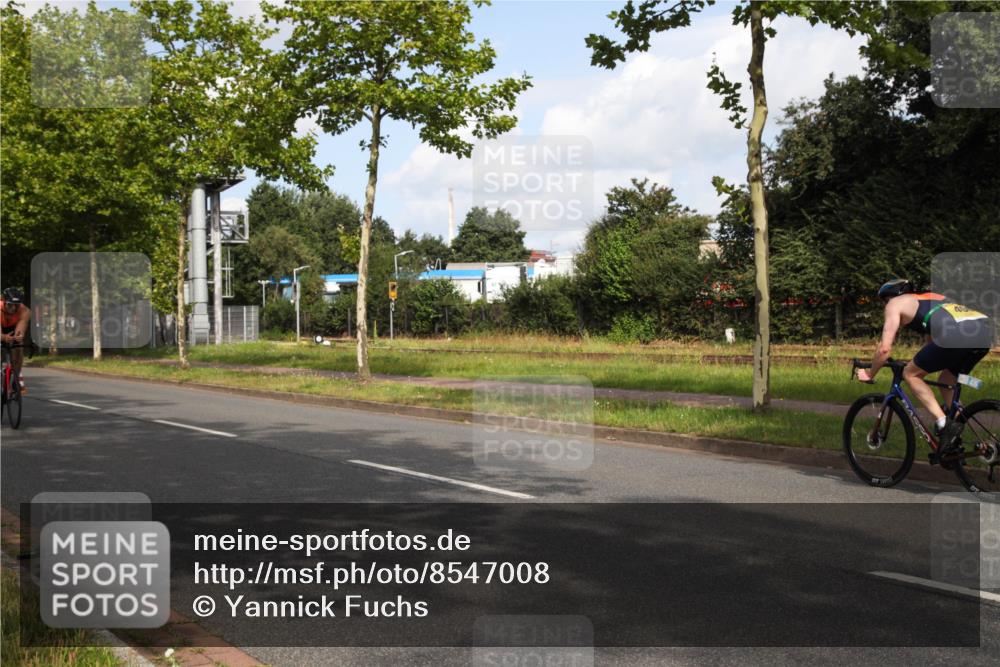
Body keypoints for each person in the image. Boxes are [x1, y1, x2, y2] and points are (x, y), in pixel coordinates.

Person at [856, 278, 993, 459]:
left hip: (955, 334)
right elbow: (933, 347)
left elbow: (884, 348)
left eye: (884, 301)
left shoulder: (894, 304)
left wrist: (869, 372)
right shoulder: (932, 299)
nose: (885, 305)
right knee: (946, 380)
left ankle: (944, 423)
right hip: (983, 332)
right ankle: (978, 443)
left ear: (890, 296)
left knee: (910, 374)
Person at [1, 287, 31, 391]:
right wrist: (4, 337)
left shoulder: (25, 311)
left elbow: (20, 329)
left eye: (16, 305)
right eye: (10, 304)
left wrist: (18, 336)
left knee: (18, 347)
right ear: (4, 302)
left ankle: (16, 377)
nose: (13, 308)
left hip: (12, 327)